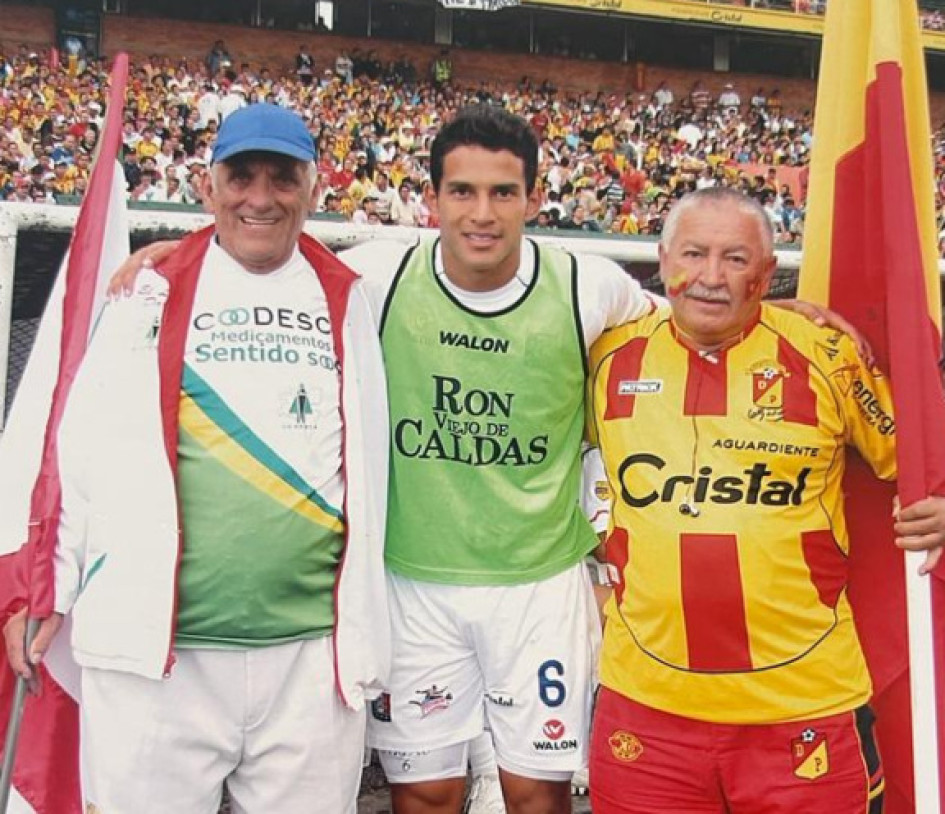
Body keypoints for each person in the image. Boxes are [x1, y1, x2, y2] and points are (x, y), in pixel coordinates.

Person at [104, 106, 865, 814]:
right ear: (430, 197)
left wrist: (781, 310)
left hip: (538, 586)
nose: (481, 213)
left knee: (534, 793)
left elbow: (700, 307)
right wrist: (178, 255)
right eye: (461, 191)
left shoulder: (584, 285)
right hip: (413, 584)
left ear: (533, 197)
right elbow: (264, 252)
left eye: (503, 192)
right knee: (426, 795)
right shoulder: (374, 276)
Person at [3, 104, 390, 813]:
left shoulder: (351, 293)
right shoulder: (144, 290)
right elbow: (78, 457)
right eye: (241, 176)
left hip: (309, 665)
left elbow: (470, 250)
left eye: (283, 178)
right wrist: (44, 592)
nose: (260, 197)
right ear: (207, 187)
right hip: (159, 662)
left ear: (313, 188)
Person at [585, 187, 945, 813]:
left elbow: (924, 457)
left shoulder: (828, 354)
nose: (711, 277)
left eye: (736, 259)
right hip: (647, 710)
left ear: (767, 273)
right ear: (663, 258)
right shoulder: (606, 358)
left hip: (805, 706)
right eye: (694, 254)